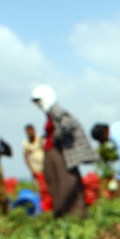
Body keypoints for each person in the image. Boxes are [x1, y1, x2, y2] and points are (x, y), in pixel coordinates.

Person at [31, 85, 94, 218]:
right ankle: (66, 212)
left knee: (66, 182)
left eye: (39, 101)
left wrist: (55, 138)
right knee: (55, 182)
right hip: (52, 152)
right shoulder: (50, 113)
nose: (38, 105)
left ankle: (67, 212)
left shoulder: (56, 110)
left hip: (58, 152)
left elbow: (67, 124)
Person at [22, 123, 49, 198]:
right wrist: (32, 169)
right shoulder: (26, 143)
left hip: (44, 165)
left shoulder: (40, 139)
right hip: (35, 167)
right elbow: (26, 156)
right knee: (38, 187)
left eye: (31, 130)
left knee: (48, 185)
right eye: (28, 131)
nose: (30, 132)